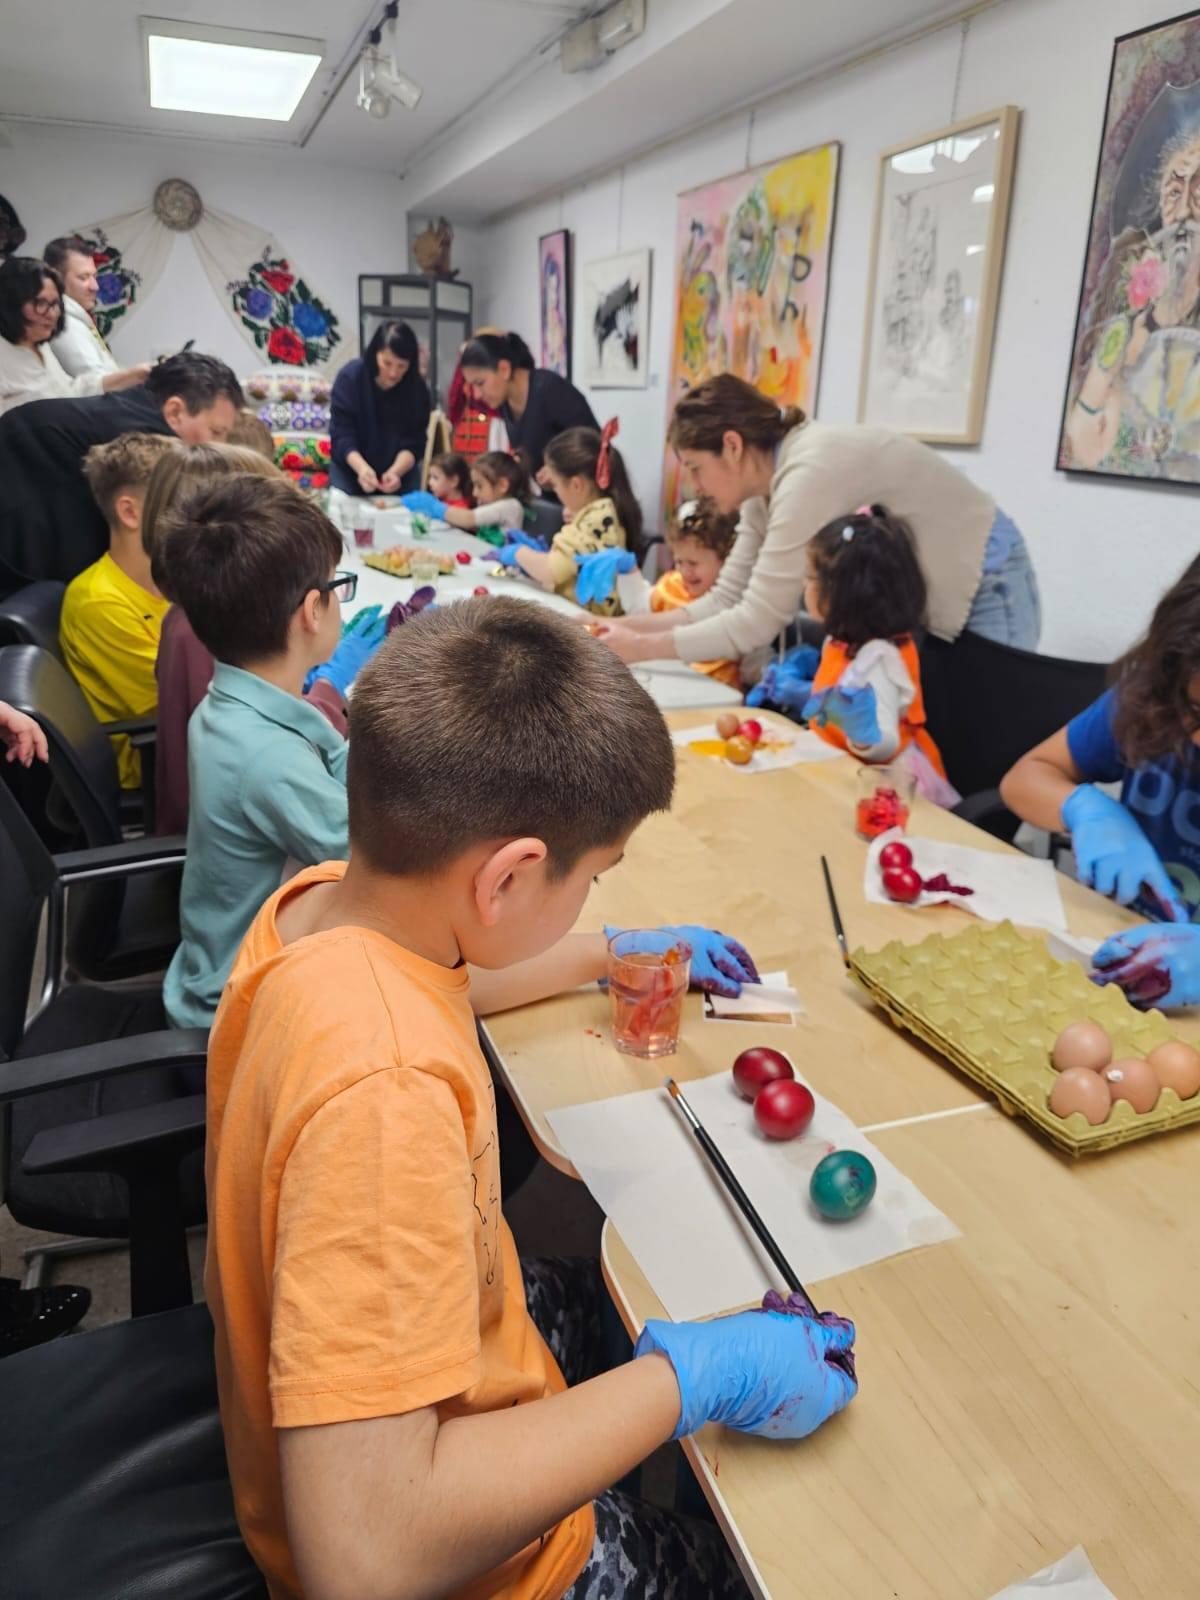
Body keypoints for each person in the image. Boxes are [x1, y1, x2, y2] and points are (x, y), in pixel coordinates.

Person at [204, 595, 855, 1600]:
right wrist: (695, 1378)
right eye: (593, 881)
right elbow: (364, 1560)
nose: (591, 903)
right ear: (506, 880)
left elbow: (452, 971)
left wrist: (608, 951)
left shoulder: (328, 905)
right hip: (446, 1555)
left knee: (602, 1290)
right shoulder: (387, 1089)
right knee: (773, 1562)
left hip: (416, 1363)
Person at [593, 375, 1041, 680]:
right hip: (943, 582)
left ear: (732, 446)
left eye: (695, 468)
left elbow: (757, 620)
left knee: (978, 742)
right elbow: (727, 599)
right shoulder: (761, 486)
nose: (696, 486)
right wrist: (620, 629)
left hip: (987, 574)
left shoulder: (809, 470)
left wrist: (639, 646)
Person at [1000, 553, 1200, 1008]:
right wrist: (1083, 807)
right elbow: (1024, 778)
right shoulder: (1153, 703)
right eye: (1196, 709)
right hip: (1113, 967)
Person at [144, 444, 351, 837]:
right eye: (337, 585)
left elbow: (336, 758)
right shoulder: (272, 760)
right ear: (312, 610)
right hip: (275, 900)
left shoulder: (228, 701)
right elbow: (366, 863)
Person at [0, 348, 243, 591]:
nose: (218, 446)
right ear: (175, 411)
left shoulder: (134, 407)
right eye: (215, 432)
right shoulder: (141, 439)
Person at [797, 505, 952, 798]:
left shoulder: (879, 659)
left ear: (841, 593)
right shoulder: (842, 643)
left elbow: (883, 742)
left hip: (887, 789)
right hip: (844, 773)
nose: (804, 586)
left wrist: (856, 725)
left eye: (810, 578)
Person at [59, 432, 180, 788]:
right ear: (130, 512)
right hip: (153, 769)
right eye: (177, 500)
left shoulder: (168, 583)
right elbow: (181, 697)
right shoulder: (99, 601)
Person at [500, 423, 641, 617]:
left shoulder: (598, 517)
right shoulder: (600, 510)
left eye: (556, 485)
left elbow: (551, 571)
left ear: (576, 485)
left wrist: (519, 553)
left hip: (592, 625)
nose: (556, 492)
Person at [0, 255, 147, 416]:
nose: (52, 314)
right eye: (41, 303)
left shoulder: (40, 345)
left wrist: (135, 374)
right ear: (11, 304)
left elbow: (70, 391)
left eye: (56, 304)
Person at [459, 330, 597, 493]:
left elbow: (595, 445)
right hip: (557, 501)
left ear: (504, 369)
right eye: (472, 386)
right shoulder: (504, 403)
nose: (477, 394)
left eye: (480, 383)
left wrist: (558, 468)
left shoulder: (549, 390)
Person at [329, 320, 431, 497]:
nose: (393, 373)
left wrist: (396, 472)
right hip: (350, 469)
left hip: (401, 475)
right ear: (375, 353)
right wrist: (362, 469)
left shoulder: (417, 388)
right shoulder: (351, 378)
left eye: (401, 366)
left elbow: (415, 441)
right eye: (387, 363)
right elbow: (342, 434)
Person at [650, 497, 741, 690]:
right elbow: (644, 613)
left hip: (719, 694)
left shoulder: (740, 606)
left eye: (693, 563)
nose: (684, 572)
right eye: (679, 562)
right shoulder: (672, 586)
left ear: (726, 559)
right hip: (671, 684)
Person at [406, 449, 532, 539]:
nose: (474, 493)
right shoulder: (491, 505)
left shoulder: (510, 506)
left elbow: (469, 518)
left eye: (479, 486)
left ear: (502, 485)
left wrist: (436, 507)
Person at [44, 235, 120, 380]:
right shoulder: (63, 323)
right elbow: (96, 383)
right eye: (83, 278)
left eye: (94, 276)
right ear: (55, 278)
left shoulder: (75, 317)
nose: (95, 286)